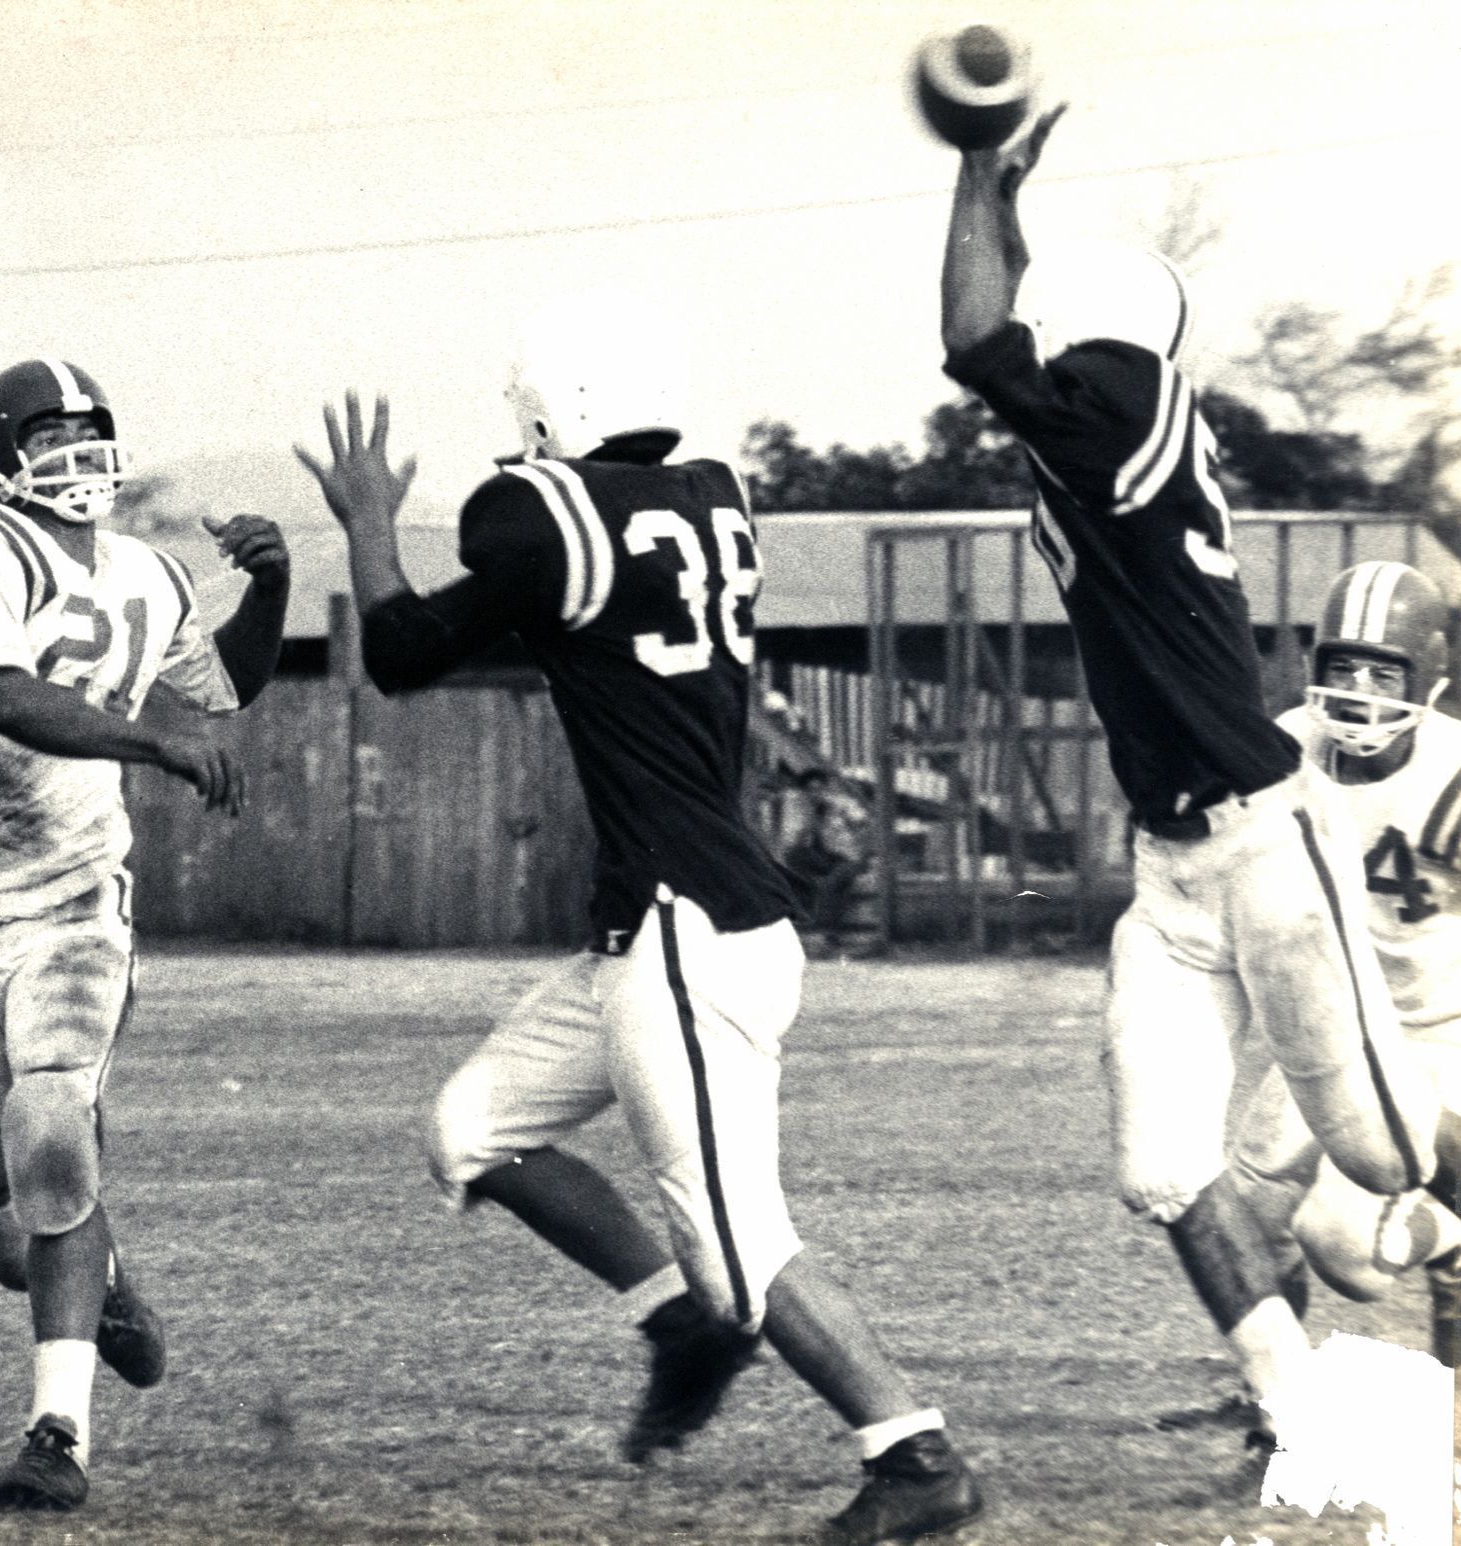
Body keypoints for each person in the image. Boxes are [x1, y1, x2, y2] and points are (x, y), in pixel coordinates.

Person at [294, 295, 984, 1546]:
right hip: (658, 925)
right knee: (473, 1130)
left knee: (738, 1242)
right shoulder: (719, 492)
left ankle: (914, 1451)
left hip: (690, 931)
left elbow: (399, 649)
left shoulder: (537, 513)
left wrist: (371, 530)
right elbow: (587, 616)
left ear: (558, 414)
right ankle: (678, 1326)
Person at [938, 108, 1438, 1461]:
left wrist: (976, 177)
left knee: (1387, 1167)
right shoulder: (1109, 416)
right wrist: (1003, 214)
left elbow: (980, 344)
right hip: (1171, 876)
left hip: (1271, 846)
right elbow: (1019, 331)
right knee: (1163, 1168)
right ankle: (1298, 1411)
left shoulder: (1130, 402)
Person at [0, 358, 289, 1511]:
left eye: (92, 431)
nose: (80, 454)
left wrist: (270, 588)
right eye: (50, 435)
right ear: (0, 461)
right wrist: (146, 743)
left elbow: (223, 691)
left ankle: (56, 1435)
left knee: (54, 1127)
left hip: (74, 894)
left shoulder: (150, 570)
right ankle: (100, 1276)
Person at [1224, 561, 1461, 1364]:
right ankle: (1275, 1402)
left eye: (1384, 669)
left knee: (1344, 1246)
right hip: (1335, 1029)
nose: (1361, 689)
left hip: (1440, 1034)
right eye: (1344, 666)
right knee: (1246, 1216)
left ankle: (1451, 1236)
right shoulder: (1289, 748)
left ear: (1426, 674)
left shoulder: (1454, 775)